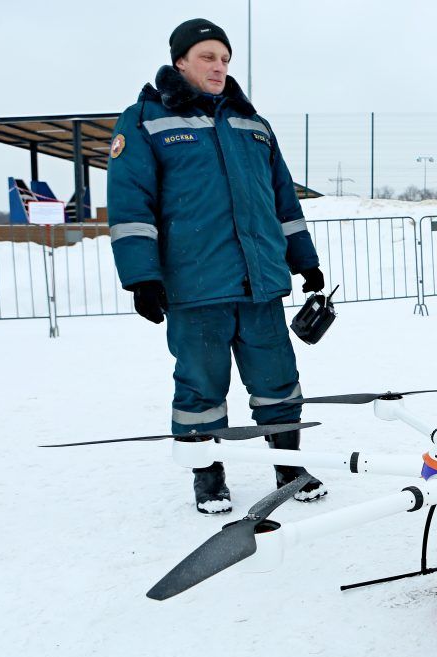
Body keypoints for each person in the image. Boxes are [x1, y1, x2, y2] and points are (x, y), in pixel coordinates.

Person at [107, 18, 327, 514]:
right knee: (201, 386)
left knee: (278, 381)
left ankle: (288, 465)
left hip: (261, 282)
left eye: (225, 59)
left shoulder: (253, 124)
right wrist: (142, 275)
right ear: (180, 60)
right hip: (195, 283)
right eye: (208, 56)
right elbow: (130, 203)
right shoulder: (143, 120)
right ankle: (208, 474)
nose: (219, 67)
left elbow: (282, 200)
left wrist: (304, 260)